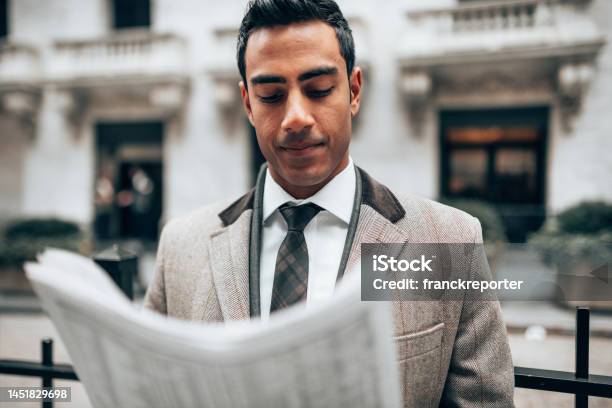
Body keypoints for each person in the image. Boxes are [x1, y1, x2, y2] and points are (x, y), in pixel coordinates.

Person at [144, 0, 514, 406]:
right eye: (271, 96)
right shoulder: (180, 246)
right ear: (248, 104)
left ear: (354, 90)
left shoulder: (449, 242)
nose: (296, 117)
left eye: (319, 90)